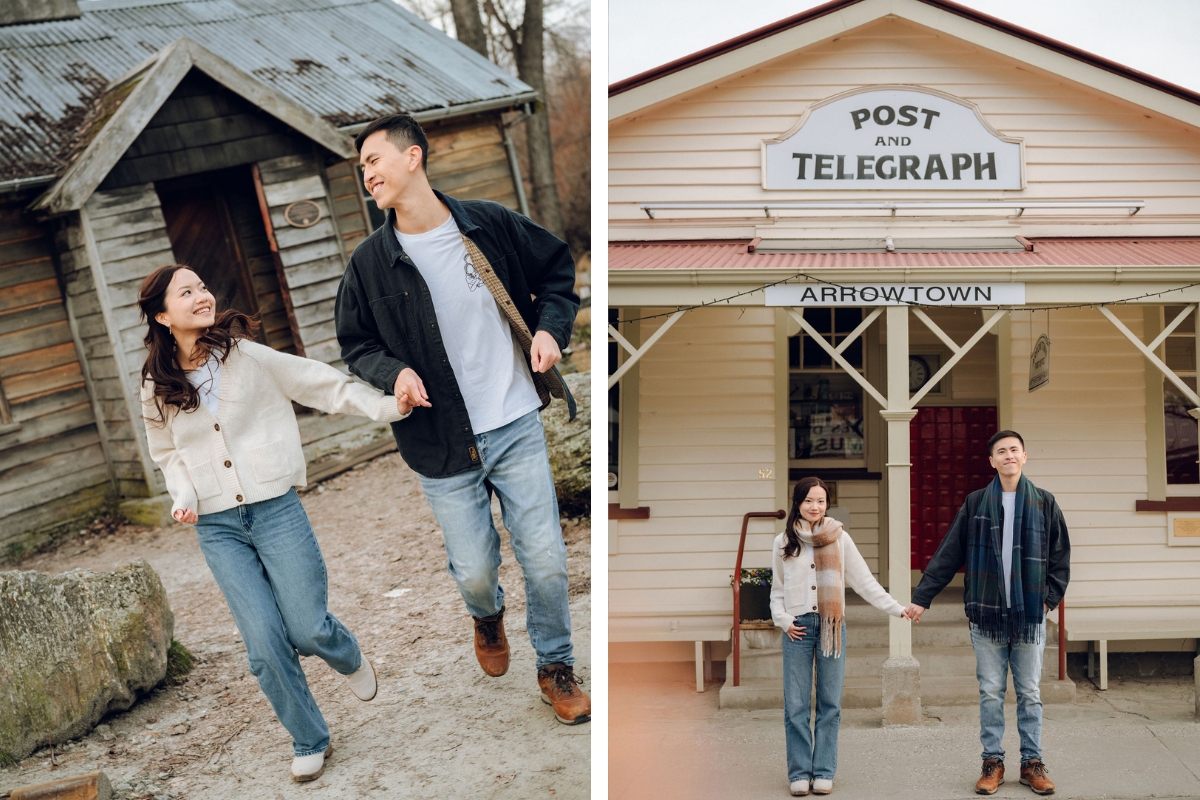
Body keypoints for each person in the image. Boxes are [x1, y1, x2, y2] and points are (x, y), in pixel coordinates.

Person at [334, 113, 589, 725]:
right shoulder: (370, 263)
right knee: (476, 569)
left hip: (515, 420)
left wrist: (551, 331)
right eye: (361, 167)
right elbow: (356, 344)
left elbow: (557, 273)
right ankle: (486, 614)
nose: (367, 174)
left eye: (374, 160)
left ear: (413, 157)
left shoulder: (488, 224)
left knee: (547, 559)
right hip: (440, 439)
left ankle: (555, 666)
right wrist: (392, 372)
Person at [138, 264, 407, 783]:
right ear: (161, 314)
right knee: (263, 645)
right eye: (186, 291)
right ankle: (309, 738)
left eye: (202, 285)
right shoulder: (156, 383)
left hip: (274, 509)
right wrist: (183, 495)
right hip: (216, 526)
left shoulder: (247, 357)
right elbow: (167, 453)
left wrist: (384, 406)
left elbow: (321, 385)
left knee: (307, 627)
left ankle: (344, 653)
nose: (202, 295)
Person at [905, 430, 1070, 796]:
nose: (1009, 455)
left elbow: (1060, 559)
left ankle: (1032, 763)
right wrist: (922, 598)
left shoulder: (1044, 502)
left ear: (1024, 457)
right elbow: (950, 552)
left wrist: (1048, 600)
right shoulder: (977, 502)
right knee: (991, 693)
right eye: (1001, 451)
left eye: (1014, 450)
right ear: (992, 461)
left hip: (1029, 616)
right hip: (988, 615)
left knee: (1029, 692)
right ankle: (992, 762)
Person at [772, 477, 906, 796]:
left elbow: (864, 582)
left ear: (826, 503)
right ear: (797, 503)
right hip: (798, 629)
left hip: (832, 627)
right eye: (808, 501)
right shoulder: (783, 542)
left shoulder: (839, 538)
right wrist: (784, 620)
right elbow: (776, 591)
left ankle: (824, 771)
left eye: (820, 501)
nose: (815, 507)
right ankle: (800, 772)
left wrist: (897, 609)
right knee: (796, 705)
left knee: (830, 703)